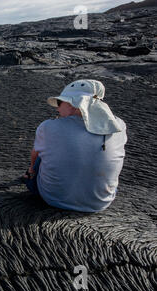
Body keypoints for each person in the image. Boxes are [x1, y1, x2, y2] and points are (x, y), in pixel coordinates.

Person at [23, 79, 127, 212]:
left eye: (60, 102)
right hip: (101, 202)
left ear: (74, 103)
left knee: (40, 157)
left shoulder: (48, 126)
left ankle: (29, 177)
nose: (57, 108)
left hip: (53, 199)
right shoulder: (119, 126)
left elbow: (35, 156)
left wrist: (31, 170)